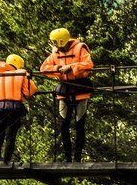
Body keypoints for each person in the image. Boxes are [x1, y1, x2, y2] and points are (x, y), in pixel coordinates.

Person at [39, 28, 95, 162]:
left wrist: (71, 67)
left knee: (79, 125)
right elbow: (43, 69)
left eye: (54, 42)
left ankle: (77, 158)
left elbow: (88, 64)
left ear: (61, 41)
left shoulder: (80, 48)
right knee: (64, 125)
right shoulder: (55, 53)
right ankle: (68, 157)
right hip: (64, 89)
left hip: (81, 87)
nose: (53, 44)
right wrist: (58, 69)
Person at [0, 54, 37, 165]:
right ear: (19, 64)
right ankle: (7, 161)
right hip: (15, 108)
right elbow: (30, 91)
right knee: (11, 135)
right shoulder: (22, 73)